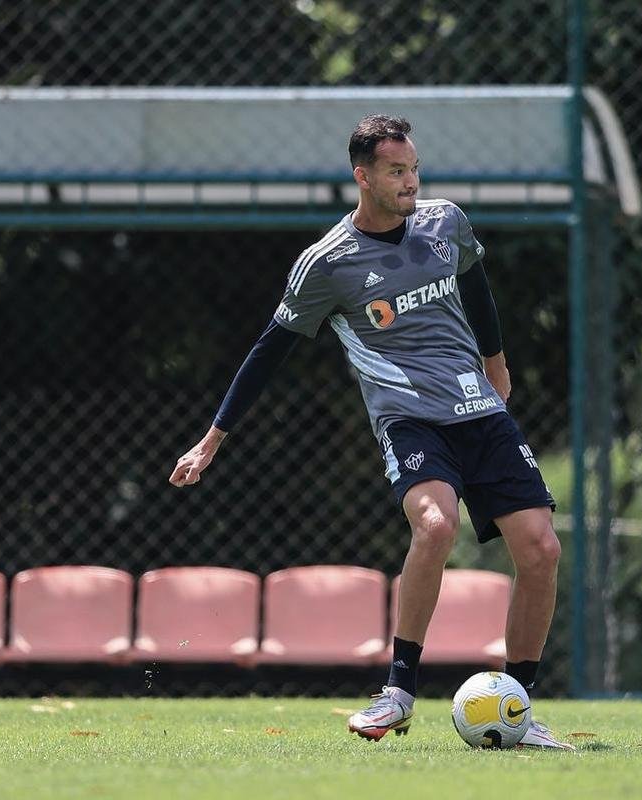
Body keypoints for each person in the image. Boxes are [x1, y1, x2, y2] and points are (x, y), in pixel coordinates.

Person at [168, 114, 572, 750]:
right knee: (435, 527)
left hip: (479, 410)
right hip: (409, 419)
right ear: (363, 176)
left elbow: (476, 286)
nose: (411, 181)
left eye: (413, 168)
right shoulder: (326, 264)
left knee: (542, 551)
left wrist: (496, 365)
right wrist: (211, 438)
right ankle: (399, 692)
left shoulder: (447, 223)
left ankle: (518, 707)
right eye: (396, 171)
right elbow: (268, 351)